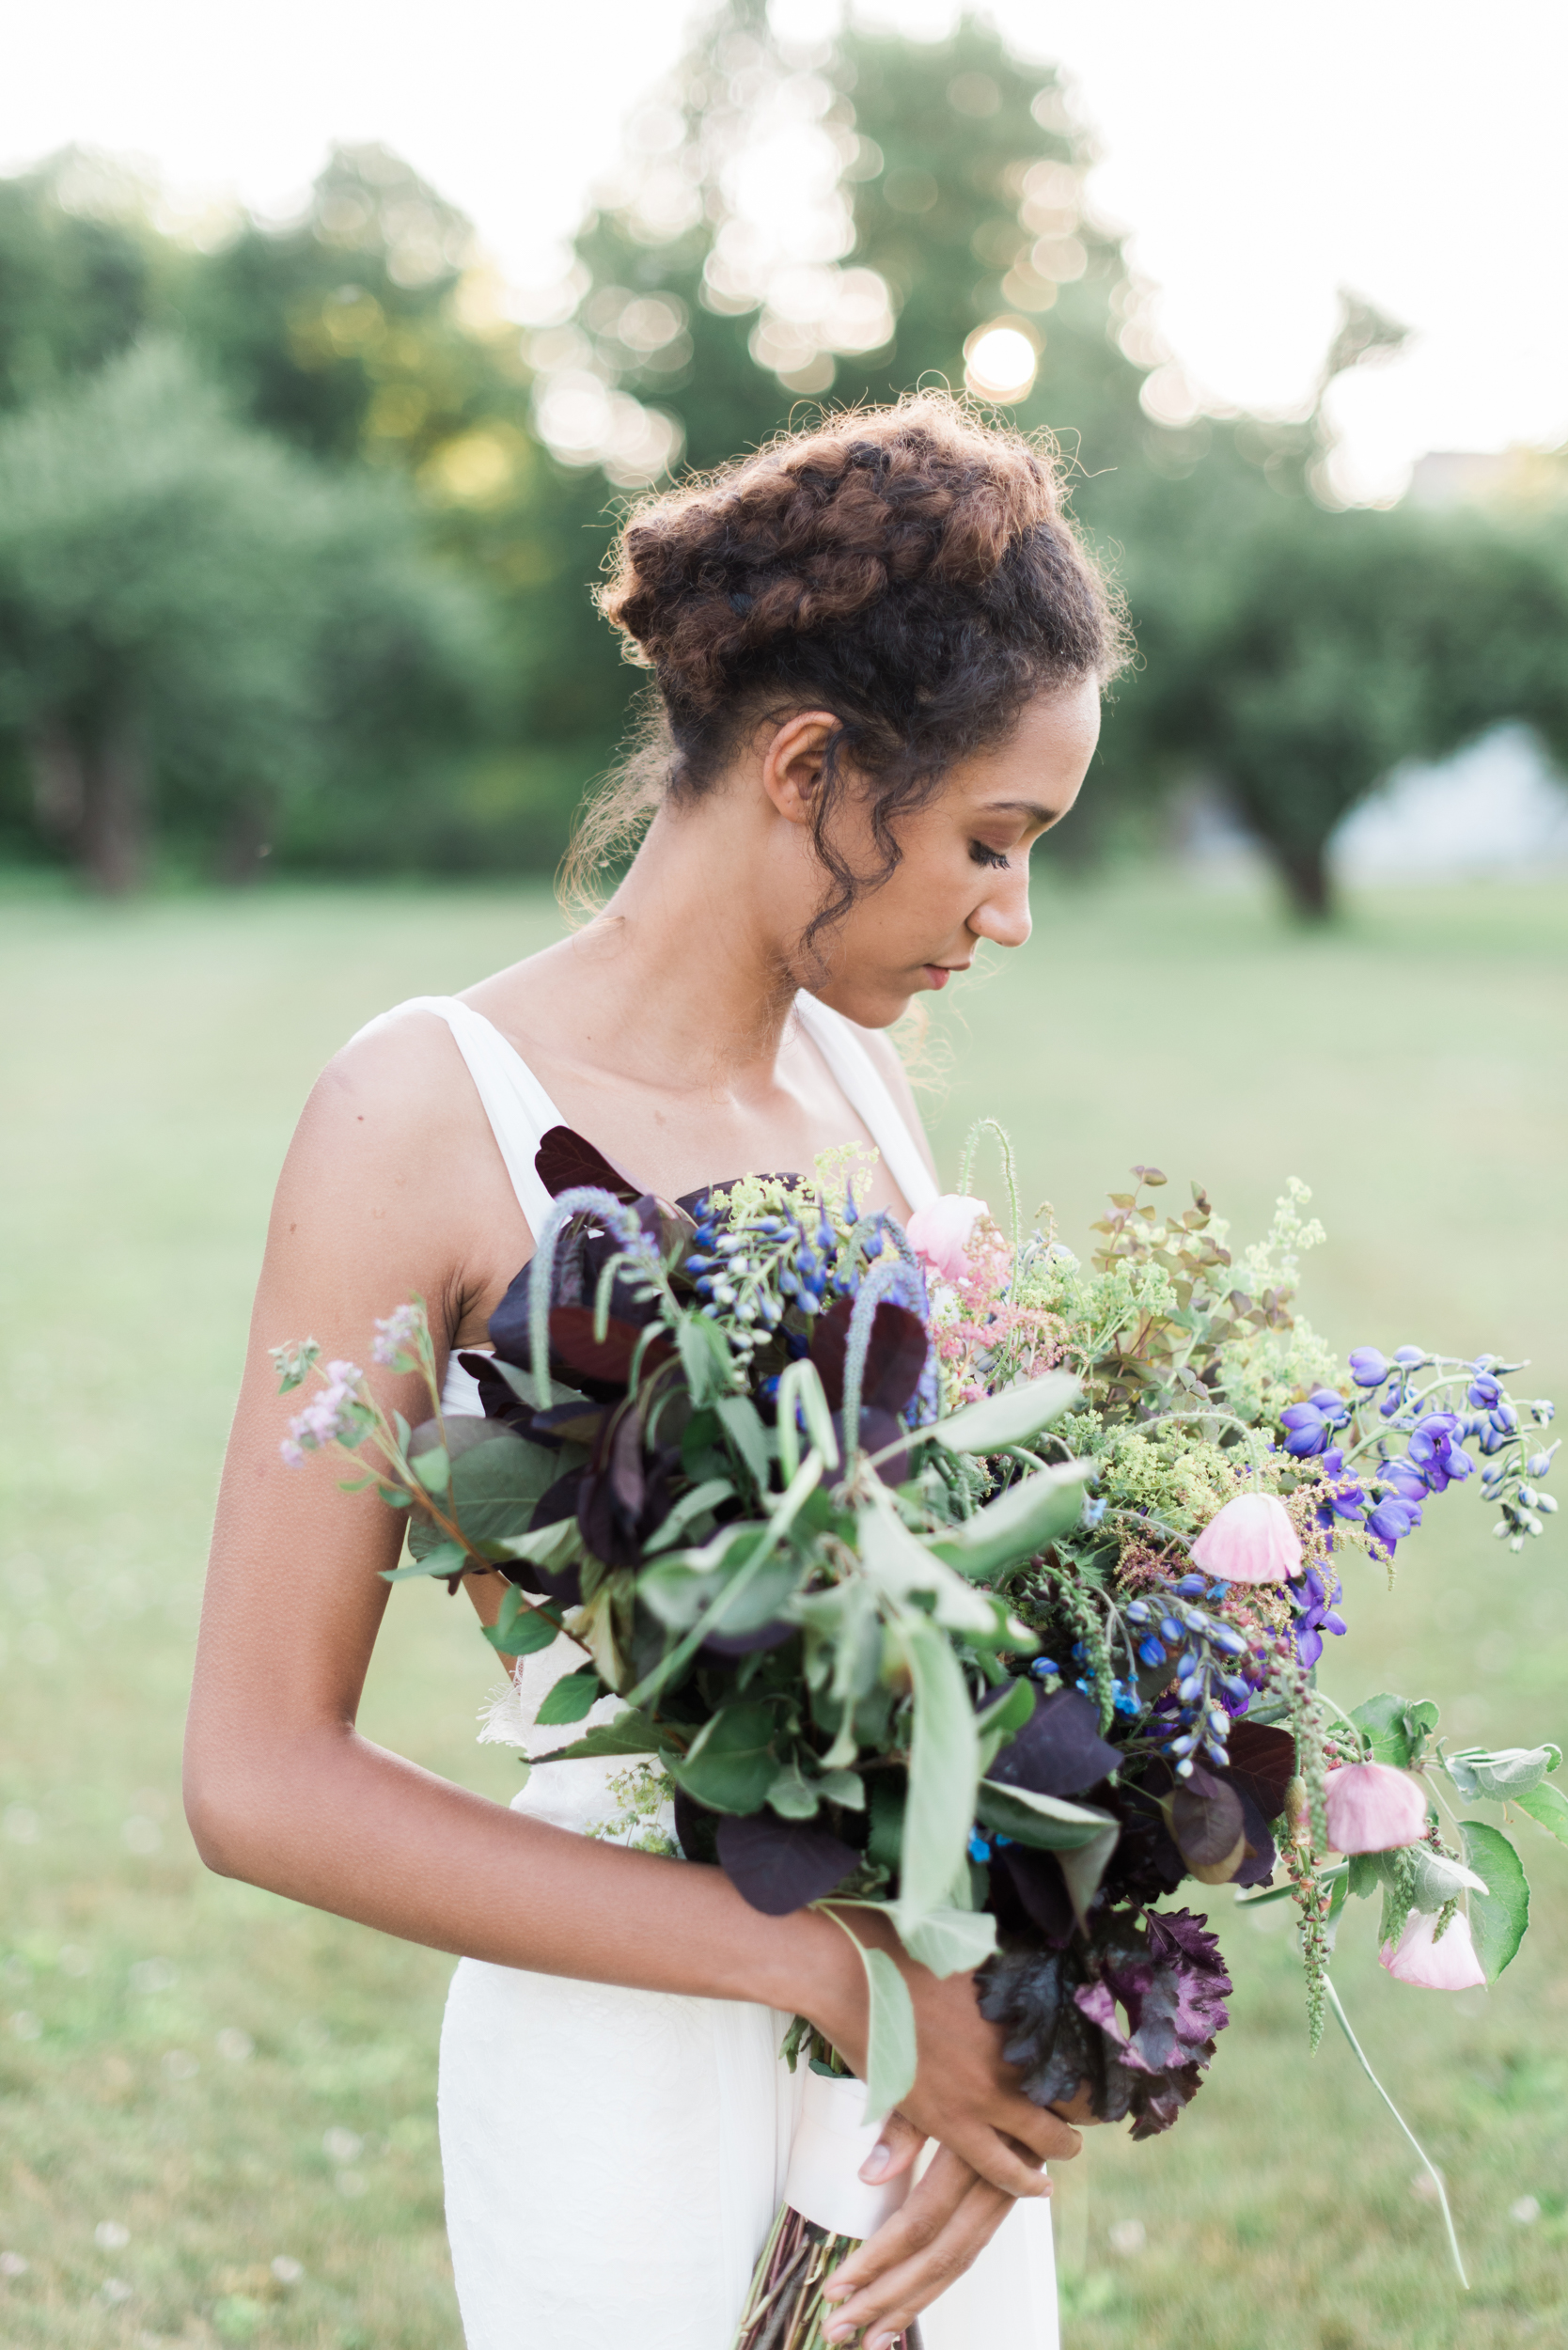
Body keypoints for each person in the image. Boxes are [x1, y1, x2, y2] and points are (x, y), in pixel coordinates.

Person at [185, 393, 1123, 2350]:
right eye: (989, 838)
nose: (1009, 912)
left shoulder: (860, 1085)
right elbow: (256, 1775)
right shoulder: (419, 1108)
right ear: (809, 766)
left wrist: (1020, 1952)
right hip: (626, 2051)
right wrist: (839, 1973)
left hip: (920, 2063)